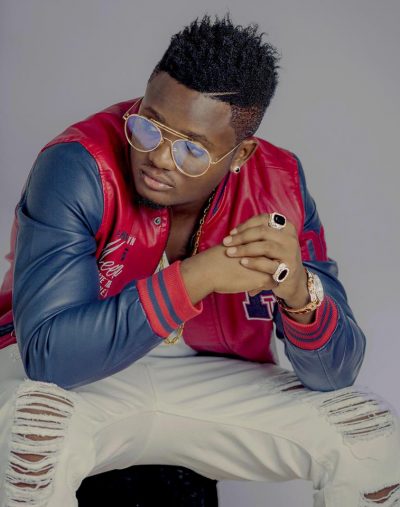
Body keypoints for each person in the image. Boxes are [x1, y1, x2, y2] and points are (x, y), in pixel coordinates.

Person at [0, 14, 399, 507]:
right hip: (77, 377)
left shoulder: (279, 184)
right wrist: (198, 276)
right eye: (149, 126)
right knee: (34, 435)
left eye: (192, 149)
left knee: (367, 436)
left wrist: (299, 293)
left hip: (209, 378)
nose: (159, 157)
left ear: (240, 154)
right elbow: (51, 359)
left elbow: (335, 375)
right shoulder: (78, 164)